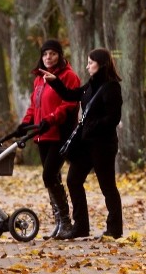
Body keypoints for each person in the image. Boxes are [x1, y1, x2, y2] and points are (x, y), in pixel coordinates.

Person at [40, 48, 123, 240]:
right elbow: (70, 95)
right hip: (86, 145)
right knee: (73, 180)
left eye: (90, 63)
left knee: (107, 186)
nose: (87, 66)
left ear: (100, 64)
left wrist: (91, 125)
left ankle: (114, 229)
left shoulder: (111, 87)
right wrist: (56, 82)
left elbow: (113, 118)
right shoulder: (90, 86)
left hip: (103, 145)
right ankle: (81, 226)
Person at [15, 39, 81, 239]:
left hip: (60, 133)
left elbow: (69, 104)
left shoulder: (68, 76)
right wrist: (26, 123)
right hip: (43, 135)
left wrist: (51, 119)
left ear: (60, 55)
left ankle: (66, 222)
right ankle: (60, 223)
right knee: (52, 178)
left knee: (48, 175)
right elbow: (34, 106)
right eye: (45, 54)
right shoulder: (39, 79)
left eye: (52, 54)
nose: (48, 57)